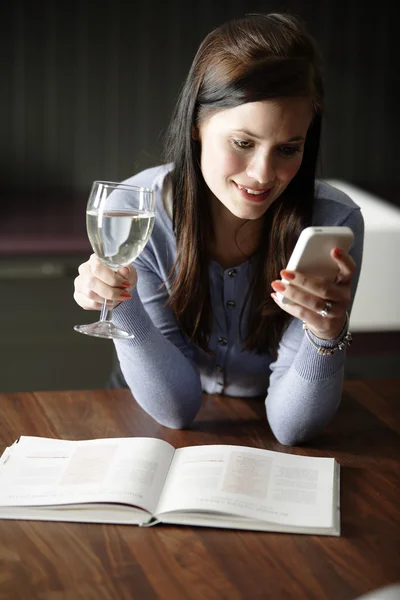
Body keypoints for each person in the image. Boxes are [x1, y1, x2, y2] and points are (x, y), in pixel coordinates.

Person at [73, 12, 364, 445]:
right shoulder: (137, 211)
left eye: (288, 148)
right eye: (243, 143)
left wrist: (327, 333)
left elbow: (291, 427)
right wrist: (120, 304)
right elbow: (176, 407)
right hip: (150, 408)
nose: (263, 174)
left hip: (283, 404)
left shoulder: (333, 221)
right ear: (197, 126)